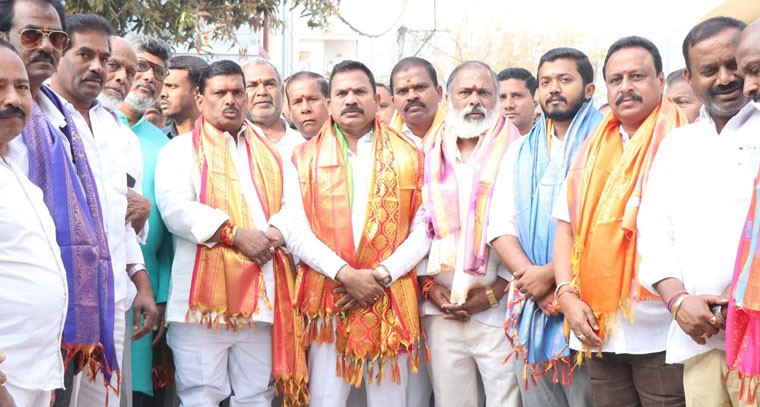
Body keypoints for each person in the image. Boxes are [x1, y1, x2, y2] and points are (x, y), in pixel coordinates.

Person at [276, 59, 429, 407]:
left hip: (388, 294)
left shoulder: (410, 155)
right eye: (342, 93)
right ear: (330, 103)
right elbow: (295, 229)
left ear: (376, 99)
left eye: (360, 91)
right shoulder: (302, 158)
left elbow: (424, 228)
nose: (351, 100)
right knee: (326, 399)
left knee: (390, 401)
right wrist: (345, 274)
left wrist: (382, 275)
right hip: (330, 296)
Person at [155, 60, 306, 406]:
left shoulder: (273, 153)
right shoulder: (179, 150)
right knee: (200, 396)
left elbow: (294, 206)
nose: (231, 100)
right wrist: (235, 235)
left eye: (238, 92)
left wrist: (273, 233)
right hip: (200, 306)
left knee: (256, 396)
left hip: (262, 296)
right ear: (199, 97)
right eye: (220, 92)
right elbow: (176, 209)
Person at [551, 36, 687, 407]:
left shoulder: (684, 138)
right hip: (600, 328)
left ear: (661, 80)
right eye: (616, 79)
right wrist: (566, 295)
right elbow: (565, 229)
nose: (625, 87)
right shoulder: (591, 148)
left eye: (636, 76)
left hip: (664, 326)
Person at [637, 17, 759, 407]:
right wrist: (677, 300)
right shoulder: (678, 145)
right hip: (700, 340)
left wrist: (739, 296)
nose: (726, 78)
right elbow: (654, 231)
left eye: (734, 66)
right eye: (710, 70)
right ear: (689, 79)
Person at [49, 14, 158, 406]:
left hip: (110, 299)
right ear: (60, 53)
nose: (98, 67)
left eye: (103, 58)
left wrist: (139, 279)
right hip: (61, 303)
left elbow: (118, 218)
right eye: (86, 55)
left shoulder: (113, 128)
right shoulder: (40, 117)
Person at [492, 48, 600, 407]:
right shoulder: (520, 150)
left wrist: (552, 276)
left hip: (589, 299)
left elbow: (604, 230)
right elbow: (500, 226)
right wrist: (534, 283)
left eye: (565, 79)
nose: (554, 88)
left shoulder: (606, 144)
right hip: (532, 303)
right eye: (546, 81)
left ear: (589, 89)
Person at [420, 60, 522, 407]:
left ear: (497, 98)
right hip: (440, 310)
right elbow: (415, 226)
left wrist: (495, 293)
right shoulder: (428, 151)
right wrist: (430, 289)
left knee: (506, 402)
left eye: (484, 92)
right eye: (465, 92)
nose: (474, 100)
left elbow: (526, 227)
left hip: (500, 309)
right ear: (448, 97)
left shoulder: (518, 150)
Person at [0, 38, 68, 407]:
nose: (13, 99)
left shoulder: (18, 171)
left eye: (22, 87)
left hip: (32, 374)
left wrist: (45, 375)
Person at [111, 34, 176, 406]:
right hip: (100, 284)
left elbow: (168, 233)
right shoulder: (95, 125)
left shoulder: (164, 145)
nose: (149, 77)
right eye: (142, 67)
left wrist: (162, 295)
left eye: (159, 72)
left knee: (135, 393)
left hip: (144, 292)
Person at [242, 58, 304, 160]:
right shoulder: (230, 141)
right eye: (252, 85)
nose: (262, 92)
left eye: (269, 84)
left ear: (282, 91)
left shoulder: (303, 143)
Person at [389, 56, 445, 143]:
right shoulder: (381, 143)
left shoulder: (460, 135)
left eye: (420, 87)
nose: (412, 96)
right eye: (402, 91)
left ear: (439, 93)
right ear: (393, 102)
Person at [159, 55, 207, 138]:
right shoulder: (156, 139)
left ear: (198, 92)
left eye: (171, 86)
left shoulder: (221, 140)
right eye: (161, 86)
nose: (162, 94)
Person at [284, 70, 329, 140]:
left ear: (329, 105)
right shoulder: (288, 146)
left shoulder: (345, 143)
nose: (305, 108)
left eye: (312, 99)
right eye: (298, 102)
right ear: (290, 113)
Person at [497, 67, 538, 136]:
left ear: (534, 100)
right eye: (502, 97)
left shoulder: (550, 140)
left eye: (517, 96)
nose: (508, 105)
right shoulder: (485, 141)